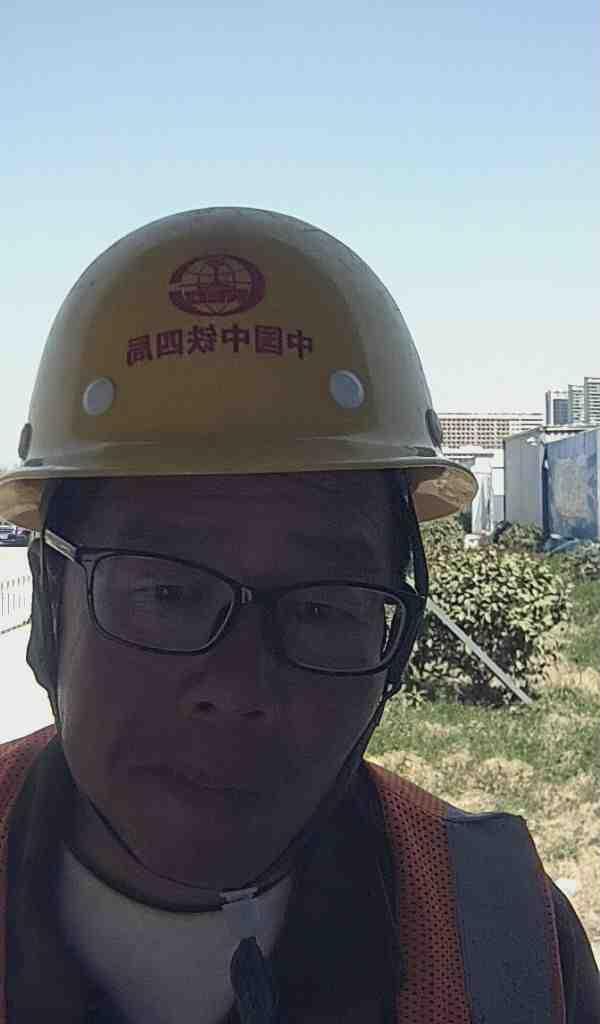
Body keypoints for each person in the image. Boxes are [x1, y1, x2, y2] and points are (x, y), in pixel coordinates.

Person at [0, 208, 597, 1024]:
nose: (239, 689)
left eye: (322, 608)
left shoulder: (505, 941)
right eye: (168, 594)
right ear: (49, 605)